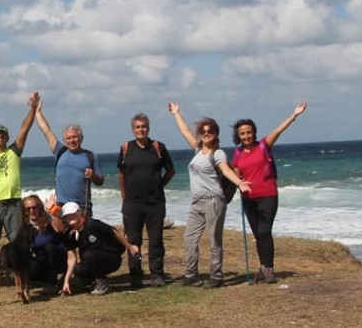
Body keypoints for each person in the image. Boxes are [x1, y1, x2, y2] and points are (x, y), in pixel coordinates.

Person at [168, 102, 251, 289]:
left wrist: (240, 183)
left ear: (216, 134)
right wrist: (176, 113)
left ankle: (216, 276)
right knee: (189, 238)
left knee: (214, 240)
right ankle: (191, 275)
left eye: (210, 131)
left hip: (213, 201)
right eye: (203, 131)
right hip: (196, 202)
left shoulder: (218, 153)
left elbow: (226, 170)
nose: (206, 134)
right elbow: (185, 132)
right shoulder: (198, 150)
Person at [231, 102, 307, 283]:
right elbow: (236, 173)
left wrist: (294, 114)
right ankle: (264, 268)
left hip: (268, 196)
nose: (247, 136)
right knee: (258, 235)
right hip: (248, 198)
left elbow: (279, 130)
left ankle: (269, 269)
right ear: (238, 136)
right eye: (243, 133)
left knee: (264, 231)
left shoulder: (264, 145)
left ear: (254, 132)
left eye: (249, 132)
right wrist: (239, 184)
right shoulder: (238, 153)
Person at [0, 91, 39, 289]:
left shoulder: (13, 152)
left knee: (17, 241)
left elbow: (24, 129)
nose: (0, 137)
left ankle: (19, 274)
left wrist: (32, 109)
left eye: (3, 134)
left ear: (7, 137)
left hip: (12, 203)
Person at [117, 113, 175, 288]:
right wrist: (124, 195)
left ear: (148, 128)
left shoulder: (158, 147)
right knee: (133, 240)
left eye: (143, 126)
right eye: (137, 127)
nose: (141, 130)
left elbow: (171, 170)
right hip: (132, 203)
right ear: (133, 129)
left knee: (156, 240)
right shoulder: (126, 148)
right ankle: (135, 274)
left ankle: (157, 274)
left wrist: (159, 185)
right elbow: (121, 173)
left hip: (155, 203)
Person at [34, 98, 104, 218]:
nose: (72, 140)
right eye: (69, 138)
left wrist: (92, 176)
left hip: (82, 207)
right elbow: (46, 130)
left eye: (75, 137)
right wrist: (37, 111)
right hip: (61, 207)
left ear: (81, 138)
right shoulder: (60, 151)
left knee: (82, 237)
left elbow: (100, 181)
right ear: (65, 140)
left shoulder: (91, 156)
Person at [59, 202, 139, 296]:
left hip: (111, 258)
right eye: (67, 216)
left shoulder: (92, 224)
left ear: (79, 212)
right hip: (91, 260)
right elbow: (71, 259)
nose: (70, 217)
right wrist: (66, 281)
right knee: (78, 269)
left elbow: (113, 232)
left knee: (88, 255)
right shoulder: (70, 235)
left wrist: (130, 247)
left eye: (72, 214)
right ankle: (92, 280)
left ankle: (102, 281)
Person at [22, 193, 66, 294]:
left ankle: (52, 283)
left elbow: (60, 229)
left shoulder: (48, 218)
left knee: (49, 247)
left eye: (34, 207)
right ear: (24, 211)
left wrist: (50, 212)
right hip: (42, 261)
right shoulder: (26, 227)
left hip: (58, 259)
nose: (32, 211)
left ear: (39, 207)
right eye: (28, 209)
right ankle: (43, 279)